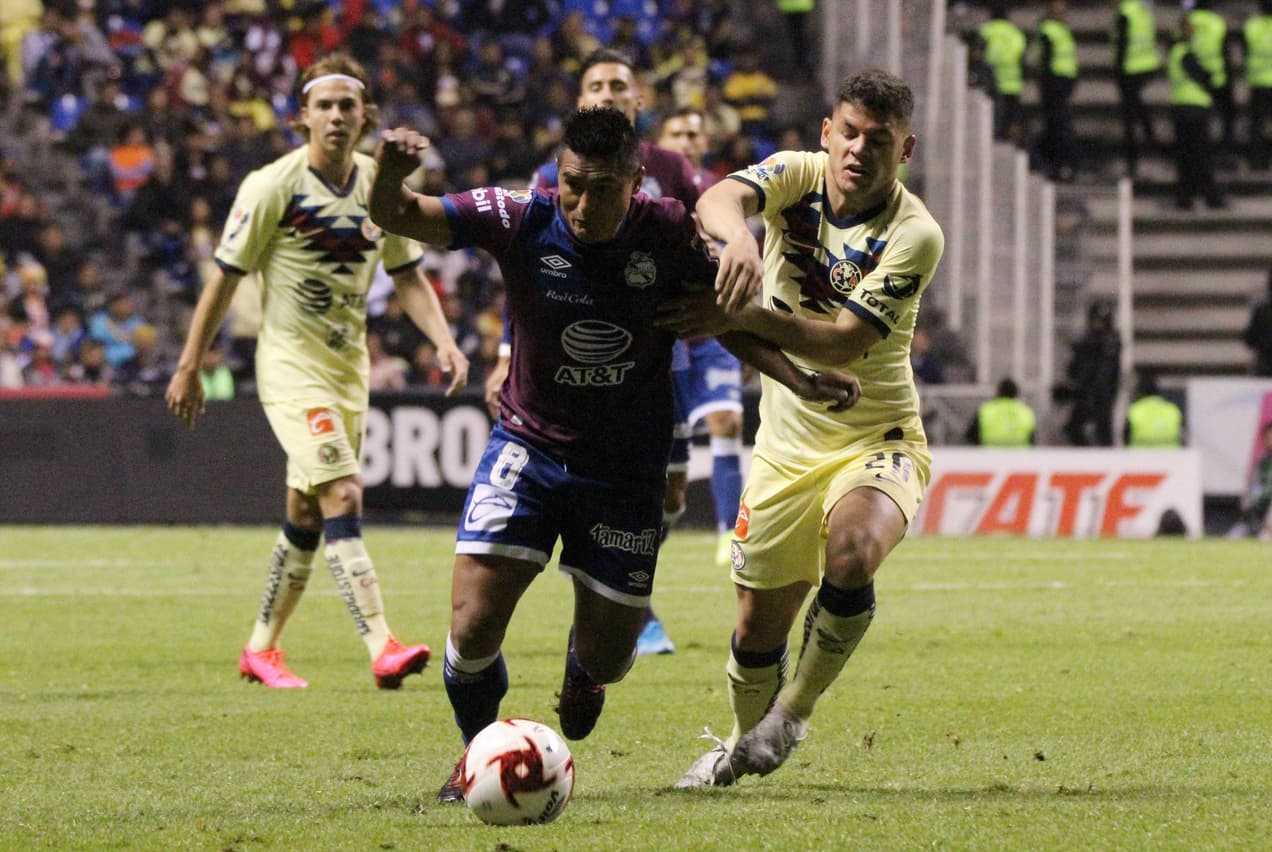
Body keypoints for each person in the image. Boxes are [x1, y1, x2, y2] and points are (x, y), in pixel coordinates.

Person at [367, 106, 861, 800]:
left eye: (602, 188)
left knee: (610, 653)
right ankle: (478, 756)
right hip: (528, 447)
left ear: (635, 182)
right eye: (572, 183)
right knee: (473, 622)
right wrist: (389, 172)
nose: (582, 203)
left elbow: (725, 319)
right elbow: (401, 212)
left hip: (626, 472)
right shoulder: (521, 216)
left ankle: (584, 667)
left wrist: (800, 379)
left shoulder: (667, 233)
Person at [658, 69, 944, 787]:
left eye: (877, 141)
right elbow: (718, 196)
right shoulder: (798, 173)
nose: (858, 150)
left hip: (876, 434)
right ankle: (738, 742)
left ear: (903, 149)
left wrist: (738, 312)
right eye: (848, 133)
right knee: (757, 626)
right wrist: (738, 243)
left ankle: (795, 709)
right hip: (785, 446)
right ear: (827, 132)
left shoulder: (915, 234)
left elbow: (843, 340)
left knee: (852, 552)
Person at [164, 53, 469, 690]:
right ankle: (382, 644)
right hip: (290, 364)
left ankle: (261, 649)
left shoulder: (375, 188)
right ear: (302, 116)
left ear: (365, 119)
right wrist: (191, 364)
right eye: (323, 105)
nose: (335, 115)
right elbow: (224, 280)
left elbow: (407, 275)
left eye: (346, 105)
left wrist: (444, 341)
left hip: (346, 368)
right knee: (343, 494)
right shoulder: (271, 185)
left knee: (306, 510)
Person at [493, 48, 706, 656]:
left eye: (620, 84)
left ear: (639, 101)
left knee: (672, 492)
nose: (608, 93)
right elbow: (527, 273)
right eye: (596, 85)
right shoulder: (553, 173)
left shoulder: (671, 166)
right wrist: (506, 353)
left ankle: (618, 590)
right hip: (573, 354)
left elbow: (700, 239)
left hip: (665, 355)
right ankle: (621, 607)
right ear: (580, 101)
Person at [657, 106, 748, 577]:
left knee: (727, 422)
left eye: (696, 132)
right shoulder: (646, 189)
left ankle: (731, 533)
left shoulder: (721, 192)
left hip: (709, 329)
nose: (689, 139)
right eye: (678, 131)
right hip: (664, 333)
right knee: (667, 488)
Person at [1169, 13, 1227, 210]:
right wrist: (1213, 82)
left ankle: (1186, 198)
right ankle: (1211, 198)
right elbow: (1201, 76)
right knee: (1200, 156)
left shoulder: (1176, 51)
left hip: (1181, 107)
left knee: (1187, 157)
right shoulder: (1185, 53)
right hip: (1193, 109)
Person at [1060, 300, 1122, 446]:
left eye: (1102, 321)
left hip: (1101, 396)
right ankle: (1086, 454)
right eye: (1096, 320)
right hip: (1086, 394)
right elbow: (1074, 370)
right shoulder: (1087, 344)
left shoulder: (1110, 342)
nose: (1098, 324)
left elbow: (1105, 371)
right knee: (1072, 429)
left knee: (1103, 430)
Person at [1112, 0, 1162, 177]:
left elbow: (1122, 43)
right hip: (1148, 64)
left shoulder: (1126, 12)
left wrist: (1117, 70)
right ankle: (1150, 138)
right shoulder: (1142, 7)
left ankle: (1134, 157)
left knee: (1130, 118)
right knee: (1138, 108)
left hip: (1131, 69)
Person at [1186, 0, 1238, 161]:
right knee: (1227, 116)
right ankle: (1226, 152)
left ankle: (1199, 155)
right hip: (1217, 79)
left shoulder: (1187, 22)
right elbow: (1226, 54)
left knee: (1198, 125)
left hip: (1192, 81)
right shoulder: (1217, 23)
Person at [1034, 0, 1079, 182]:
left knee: (1060, 125)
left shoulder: (1060, 29)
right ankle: (1060, 164)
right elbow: (1046, 60)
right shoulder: (1050, 30)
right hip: (1055, 82)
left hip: (1062, 82)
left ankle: (1062, 164)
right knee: (1058, 126)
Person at [978, 3, 1027, 144]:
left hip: (991, 83)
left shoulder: (986, 30)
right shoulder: (1016, 33)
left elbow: (978, 55)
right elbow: (1022, 60)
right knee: (1011, 121)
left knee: (993, 119)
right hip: (1012, 84)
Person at [1244, 0, 1272, 172]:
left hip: (1259, 82)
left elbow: (1246, 52)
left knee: (1258, 126)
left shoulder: (1252, 26)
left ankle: (1258, 162)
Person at [1233, 422, 1272, 537]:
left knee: (1265, 537)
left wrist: (1271, 521)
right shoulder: (1262, 461)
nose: (1269, 441)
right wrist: (1246, 509)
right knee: (1234, 537)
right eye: (1266, 437)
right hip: (1259, 512)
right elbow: (1253, 488)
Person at [966, 377, 1036, 446]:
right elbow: (1032, 440)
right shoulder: (1026, 412)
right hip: (1020, 456)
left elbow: (970, 436)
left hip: (990, 455)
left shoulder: (986, 410)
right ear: (1016, 393)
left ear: (998, 392)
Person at [1123, 370, 1183, 447]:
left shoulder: (1134, 410)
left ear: (1139, 392)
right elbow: (1182, 437)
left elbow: (1125, 439)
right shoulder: (1173, 410)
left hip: (1139, 456)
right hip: (1171, 456)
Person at [1244, 262, 1272, 376]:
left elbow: (1249, 340)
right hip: (1268, 370)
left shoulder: (1262, 311)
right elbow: (1249, 340)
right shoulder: (1262, 311)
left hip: (1267, 370)